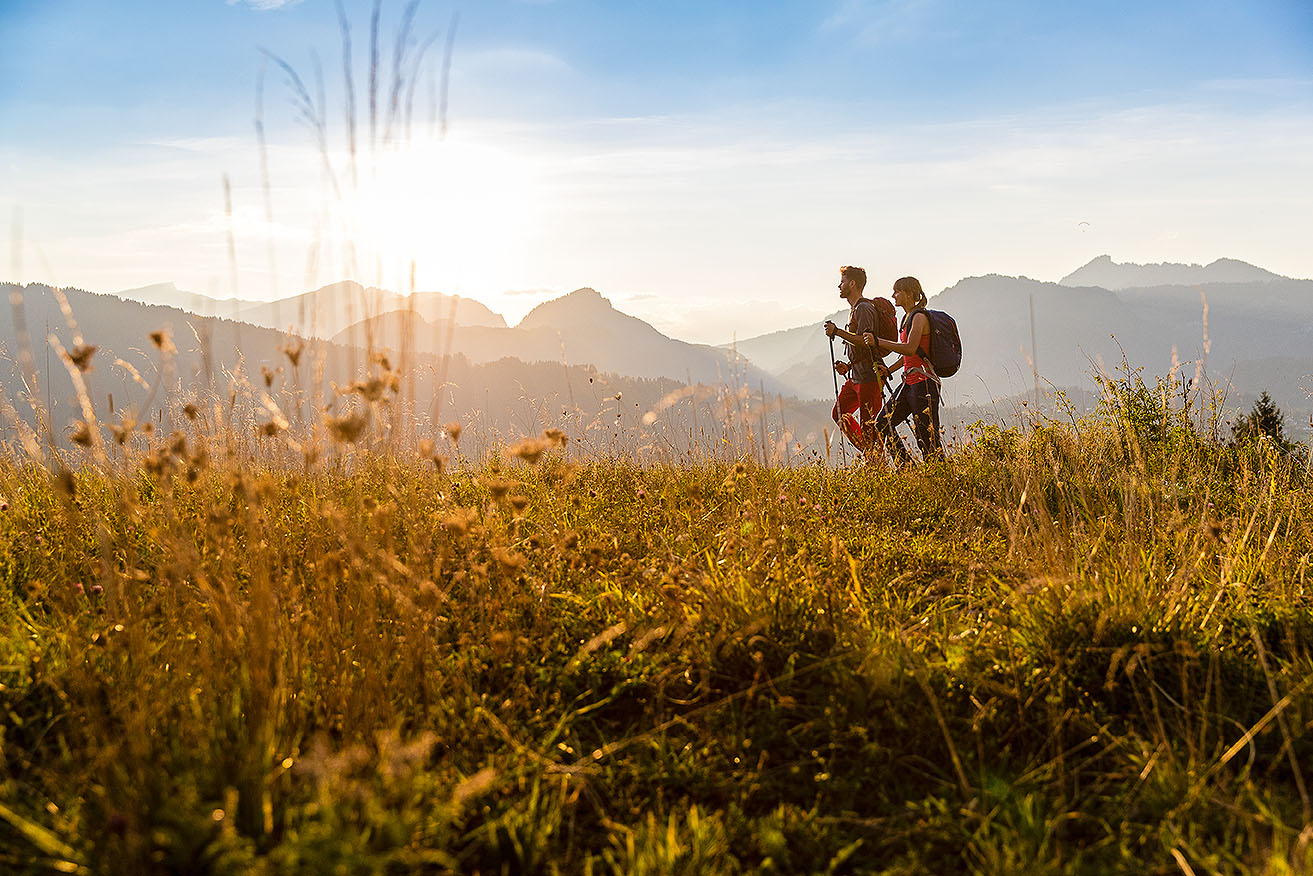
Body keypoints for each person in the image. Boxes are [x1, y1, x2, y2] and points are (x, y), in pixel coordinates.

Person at [872, 276, 943, 464]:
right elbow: (908, 355)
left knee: (927, 440)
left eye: (897, 291)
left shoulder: (919, 317)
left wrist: (878, 342)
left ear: (909, 293)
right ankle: (906, 467)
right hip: (909, 383)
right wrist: (889, 370)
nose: (893, 295)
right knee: (882, 423)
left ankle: (940, 475)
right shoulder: (907, 318)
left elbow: (910, 348)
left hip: (924, 384)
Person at [823, 266, 884, 460]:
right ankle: (870, 454)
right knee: (839, 413)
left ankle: (875, 462)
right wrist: (848, 366)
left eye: (842, 282)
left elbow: (866, 341)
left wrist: (837, 332)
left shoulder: (864, 308)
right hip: (856, 374)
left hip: (869, 376)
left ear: (852, 284)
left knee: (868, 426)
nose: (839, 286)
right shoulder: (855, 309)